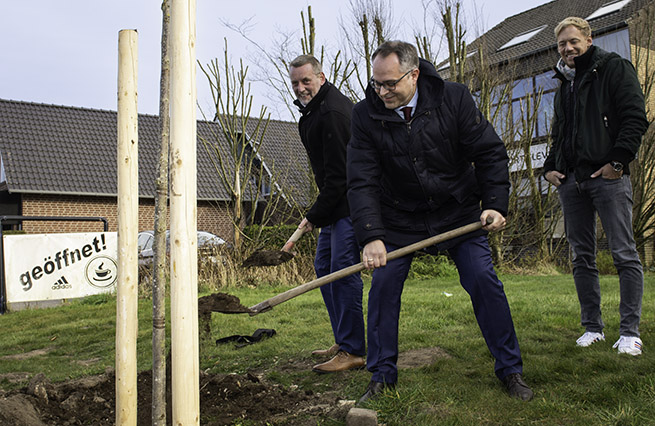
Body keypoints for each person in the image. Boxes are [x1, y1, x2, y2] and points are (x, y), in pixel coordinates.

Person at [347, 40, 532, 403]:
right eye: (376, 83)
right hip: (399, 218)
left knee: (482, 278)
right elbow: (361, 179)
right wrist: (371, 236)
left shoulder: (454, 98)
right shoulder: (364, 114)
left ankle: (510, 369)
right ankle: (381, 375)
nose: (381, 91)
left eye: (390, 84)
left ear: (413, 75)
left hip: (457, 211)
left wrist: (496, 204)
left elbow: (490, 153)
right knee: (383, 288)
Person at [544, 17, 648, 355]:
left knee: (624, 253)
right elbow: (559, 132)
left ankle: (630, 331)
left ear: (588, 39)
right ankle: (593, 328)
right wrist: (550, 168)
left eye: (573, 41)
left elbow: (635, 117)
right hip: (571, 182)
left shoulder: (613, 68)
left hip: (608, 178)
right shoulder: (564, 83)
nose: (568, 48)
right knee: (581, 257)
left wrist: (617, 163)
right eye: (562, 44)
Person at [288, 55, 366, 373]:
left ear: (322, 76)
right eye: (295, 82)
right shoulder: (314, 111)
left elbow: (341, 176)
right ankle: (343, 338)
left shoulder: (333, 112)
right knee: (324, 266)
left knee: (342, 272)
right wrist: (319, 212)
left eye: (306, 80)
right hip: (335, 203)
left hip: (351, 202)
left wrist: (315, 213)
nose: (301, 87)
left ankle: (353, 350)